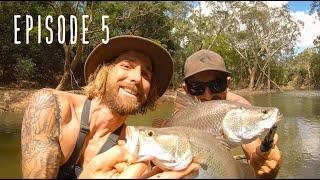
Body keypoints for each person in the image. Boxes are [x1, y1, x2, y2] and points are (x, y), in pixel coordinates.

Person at [20, 35, 199, 179]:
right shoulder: (51, 107)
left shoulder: (135, 147)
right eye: (127, 65)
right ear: (103, 72)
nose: (137, 78)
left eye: (146, 75)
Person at [176, 49, 282, 179]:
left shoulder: (240, 107)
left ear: (228, 83)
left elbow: (252, 147)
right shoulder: (183, 110)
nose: (208, 96)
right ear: (186, 89)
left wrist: (262, 163)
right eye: (196, 87)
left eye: (216, 85)